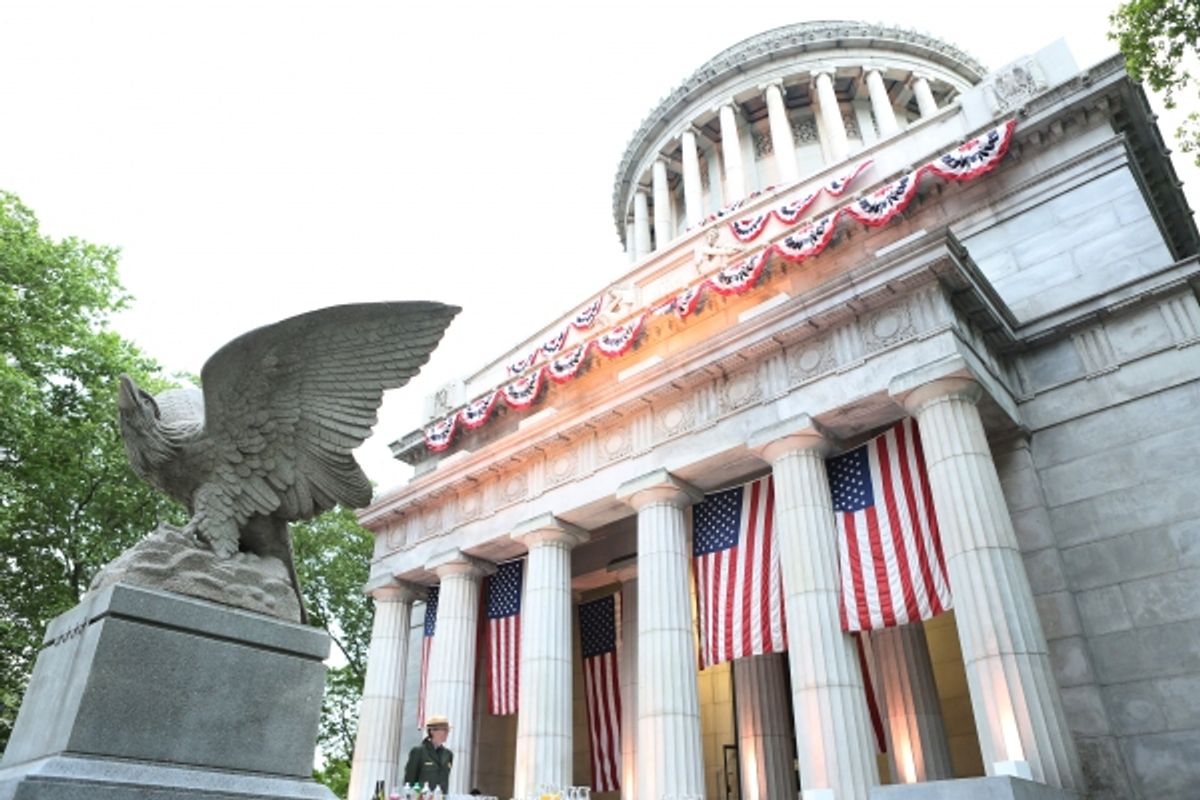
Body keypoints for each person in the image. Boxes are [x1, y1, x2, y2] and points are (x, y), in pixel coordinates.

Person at [403, 714, 453, 792]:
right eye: (444, 730)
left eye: (447, 730)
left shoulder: (448, 754)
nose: (447, 733)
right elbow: (409, 782)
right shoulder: (418, 752)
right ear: (432, 731)